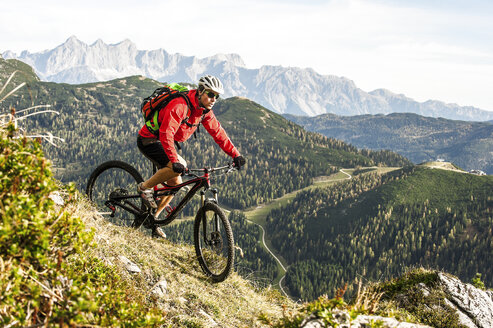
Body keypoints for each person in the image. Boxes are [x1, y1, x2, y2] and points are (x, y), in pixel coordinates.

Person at [136, 75, 246, 238]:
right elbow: (166, 133)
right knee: (178, 165)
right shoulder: (180, 105)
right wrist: (174, 160)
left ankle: (153, 219)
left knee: (176, 184)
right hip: (149, 140)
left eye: (217, 96)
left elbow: (218, 133)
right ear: (200, 91)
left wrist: (235, 155)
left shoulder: (204, 111)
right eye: (210, 94)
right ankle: (144, 188)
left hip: (165, 141)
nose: (213, 99)